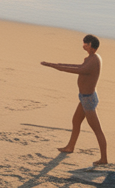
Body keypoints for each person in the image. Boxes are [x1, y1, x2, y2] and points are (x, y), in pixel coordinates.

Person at [42, 34, 108, 165]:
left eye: (85, 43)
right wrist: (58, 64)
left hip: (88, 100)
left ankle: (104, 159)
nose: (83, 45)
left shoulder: (94, 60)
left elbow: (79, 70)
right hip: (84, 98)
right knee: (76, 121)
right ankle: (70, 147)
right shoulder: (89, 58)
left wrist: (55, 67)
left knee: (97, 129)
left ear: (91, 45)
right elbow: (77, 66)